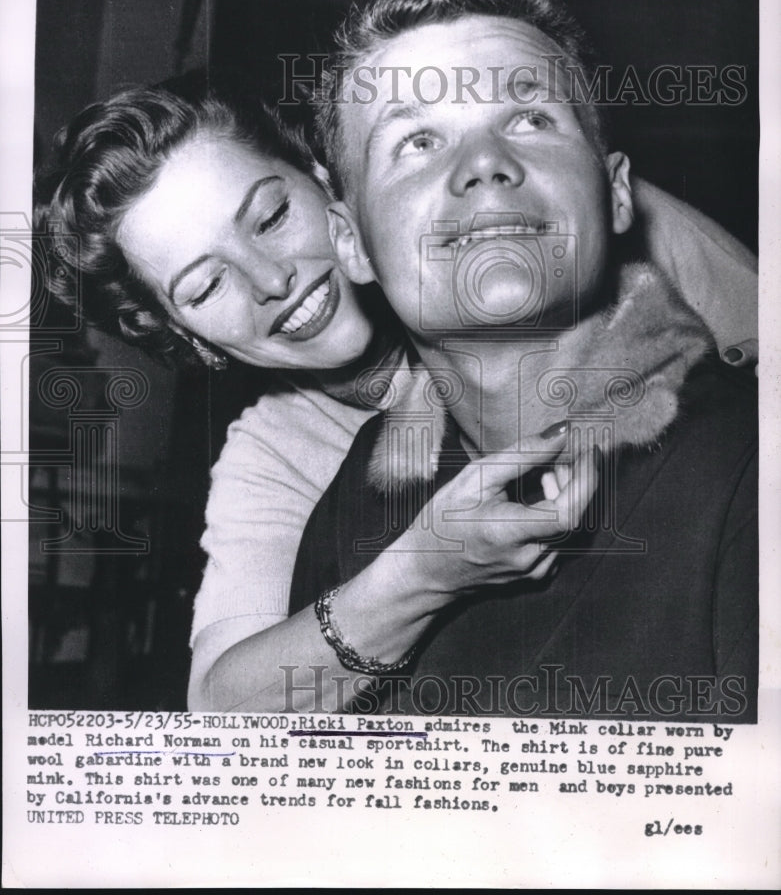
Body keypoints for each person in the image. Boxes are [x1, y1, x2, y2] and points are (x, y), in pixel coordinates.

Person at [39, 64, 756, 713]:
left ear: (325, 178)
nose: (270, 279)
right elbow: (228, 713)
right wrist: (419, 576)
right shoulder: (276, 448)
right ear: (188, 338)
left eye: (271, 216)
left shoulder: (563, 221)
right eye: (206, 285)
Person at [290, 0, 758, 721]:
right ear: (352, 245)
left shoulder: (751, 466)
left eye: (529, 118)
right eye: (416, 140)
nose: (482, 161)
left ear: (614, 194)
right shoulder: (359, 503)